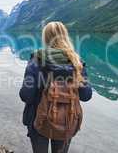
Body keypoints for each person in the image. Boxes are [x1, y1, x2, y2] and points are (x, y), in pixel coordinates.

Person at [19, 22, 93, 153]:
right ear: (65, 36)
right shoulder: (77, 62)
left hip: (38, 119)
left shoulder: (36, 60)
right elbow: (86, 96)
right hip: (66, 119)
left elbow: (26, 96)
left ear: (45, 38)